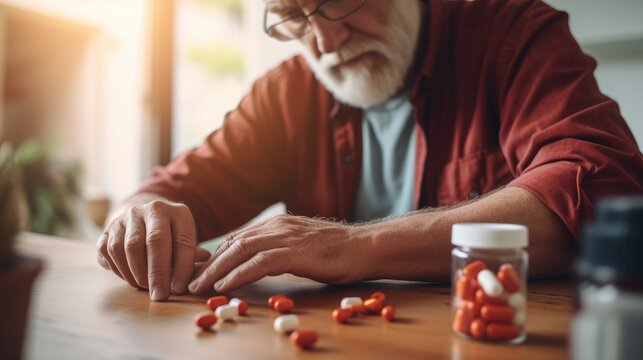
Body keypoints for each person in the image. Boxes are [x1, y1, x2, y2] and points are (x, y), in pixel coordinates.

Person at [96, 0, 643, 302]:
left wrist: (353, 246)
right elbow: (164, 191)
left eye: (336, 1)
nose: (324, 43)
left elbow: (601, 188)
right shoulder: (285, 93)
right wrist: (137, 222)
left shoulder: (513, 36)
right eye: (293, 16)